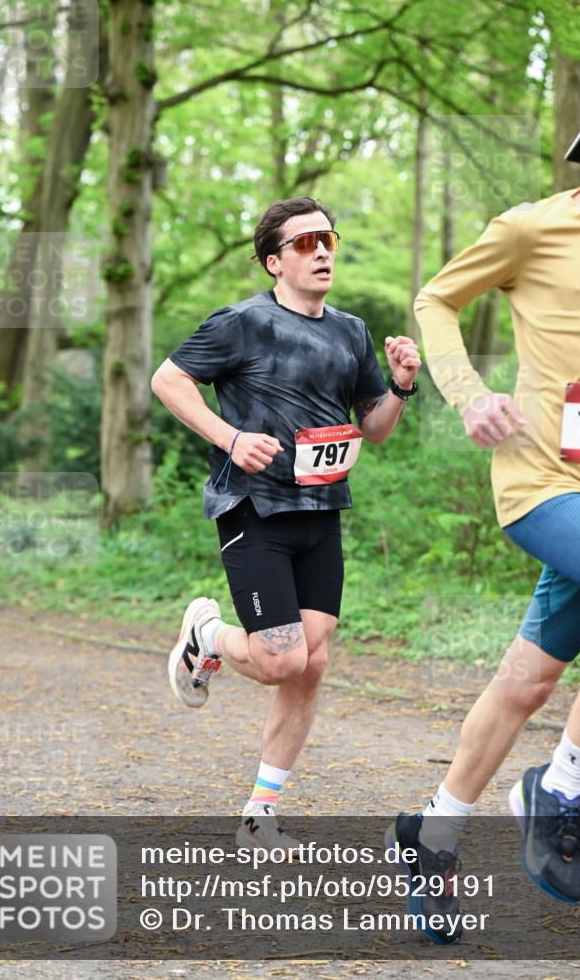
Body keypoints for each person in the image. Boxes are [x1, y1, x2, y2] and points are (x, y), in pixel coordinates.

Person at [393, 55, 580, 945]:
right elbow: (434, 299)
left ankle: (432, 834)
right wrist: (466, 392)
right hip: (543, 481)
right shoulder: (533, 228)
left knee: (526, 680)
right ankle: (558, 787)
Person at [151, 197, 421, 852]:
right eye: (303, 244)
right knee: (279, 659)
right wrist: (230, 435)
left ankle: (257, 816)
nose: (321, 250)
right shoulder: (242, 322)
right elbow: (169, 379)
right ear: (275, 261)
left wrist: (401, 385)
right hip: (255, 506)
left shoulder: (350, 331)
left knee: (311, 662)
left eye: (327, 238)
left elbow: (374, 429)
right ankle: (208, 634)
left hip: (320, 510)